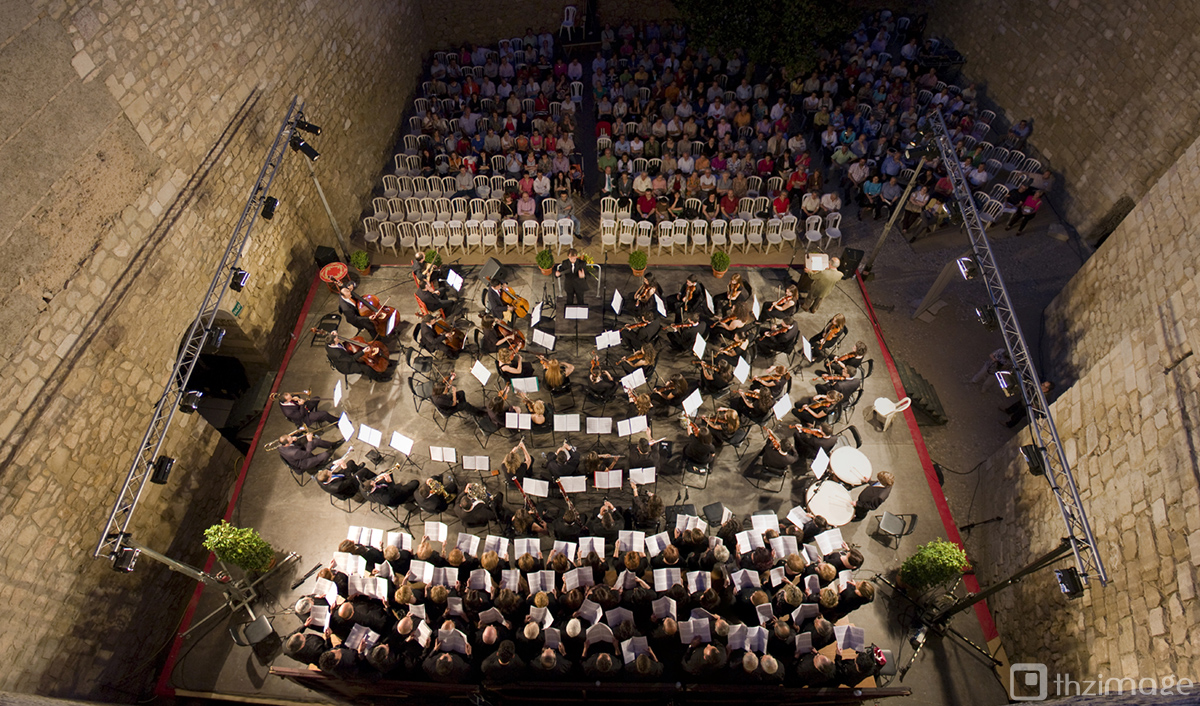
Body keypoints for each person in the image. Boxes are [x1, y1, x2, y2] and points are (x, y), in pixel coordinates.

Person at [273, 392, 338, 428]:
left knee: (317, 398)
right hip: (304, 417)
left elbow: (295, 395)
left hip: (302, 408)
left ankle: (318, 417)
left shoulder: (284, 399)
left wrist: (297, 397)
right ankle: (337, 422)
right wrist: (301, 405)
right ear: (286, 402)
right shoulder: (288, 412)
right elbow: (301, 415)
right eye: (290, 398)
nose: (292, 397)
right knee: (324, 414)